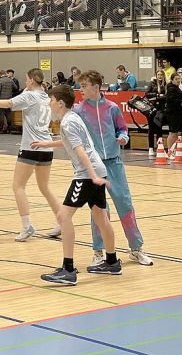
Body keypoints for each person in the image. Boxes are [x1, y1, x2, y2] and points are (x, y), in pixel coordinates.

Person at [33, 84, 120, 285]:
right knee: (100, 216)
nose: (49, 103)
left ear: (60, 103)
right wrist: (47, 144)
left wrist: (92, 176)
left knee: (63, 216)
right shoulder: (73, 118)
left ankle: (68, 270)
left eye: (52, 100)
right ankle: (112, 262)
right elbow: (71, 143)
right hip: (96, 171)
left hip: (86, 175)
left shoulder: (67, 123)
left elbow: (80, 150)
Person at [75, 70, 153, 267]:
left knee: (125, 204)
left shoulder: (112, 108)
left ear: (96, 87)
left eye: (84, 86)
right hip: (94, 166)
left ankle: (136, 249)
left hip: (114, 163)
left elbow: (122, 129)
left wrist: (123, 138)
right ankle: (99, 251)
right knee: (99, 210)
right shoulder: (78, 111)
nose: (81, 90)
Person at [0, 69, 61, 241]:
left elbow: (9, 103)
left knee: (18, 186)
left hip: (30, 147)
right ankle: (62, 221)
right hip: (46, 147)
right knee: (45, 187)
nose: (25, 82)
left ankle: (27, 226)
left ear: (32, 80)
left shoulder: (30, 97)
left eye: (27, 79)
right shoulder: (48, 98)